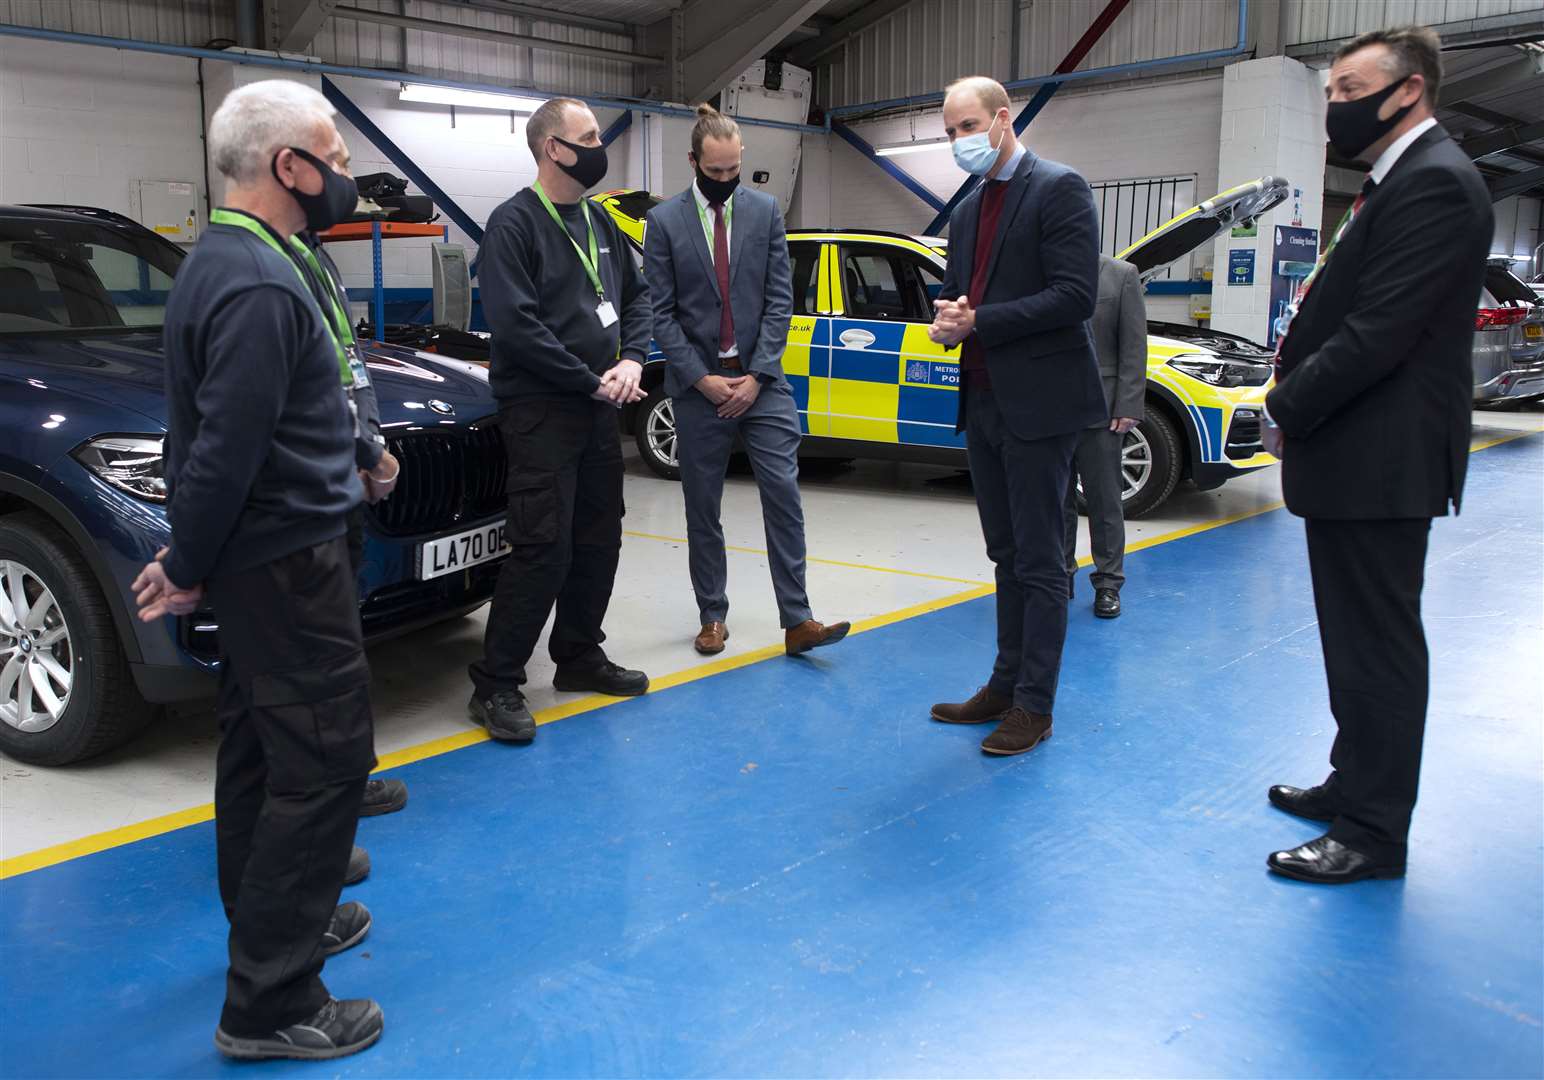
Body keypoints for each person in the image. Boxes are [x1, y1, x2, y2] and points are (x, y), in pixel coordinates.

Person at [132, 79, 383, 1060]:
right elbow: (223, 449)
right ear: (290, 166)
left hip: (267, 557)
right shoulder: (254, 281)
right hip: (284, 563)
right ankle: (272, 1002)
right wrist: (187, 560)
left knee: (257, 749)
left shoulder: (241, 260)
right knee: (320, 769)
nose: (346, 173)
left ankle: (278, 921)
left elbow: (252, 429)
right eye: (335, 153)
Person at [1260, 26, 1493, 884]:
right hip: (1357, 455)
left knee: (1377, 650)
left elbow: (1377, 335)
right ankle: (1352, 781)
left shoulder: (1434, 184)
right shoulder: (1396, 182)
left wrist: (1282, 402)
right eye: (1329, 92)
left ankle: (1372, 833)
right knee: (1353, 641)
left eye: (1348, 89)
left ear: (1409, 91)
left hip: (1380, 458)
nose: (1334, 105)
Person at [927, 76, 1106, 756]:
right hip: (983, 400)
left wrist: (981, 321)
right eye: (948, 133)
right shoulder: (970, 210)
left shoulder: (1060, 189)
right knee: (1005, 553)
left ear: (1003, 119)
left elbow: (1074, 296)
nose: (957, 142)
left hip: (1042, 404)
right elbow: (954, 295)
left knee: (1040, 559)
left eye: (966, 126)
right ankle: (1003, 684)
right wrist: (946, 320)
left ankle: (1035, 704)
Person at [467, 97, 652, 743]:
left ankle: (577, 656)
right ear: (554, 148)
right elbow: (516, 328)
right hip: (542, 410)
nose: (601, 145)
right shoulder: (513, 225)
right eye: (591, 136)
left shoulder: (600, 221)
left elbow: (638, 296)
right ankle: (495, 682)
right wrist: (590, 380)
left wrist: (631, 358)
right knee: (543, 547)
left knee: (599, 538)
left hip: (601, 406)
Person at [643, 104, 850, 658]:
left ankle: (798, 619)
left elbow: (781, 299)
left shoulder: (764, 212)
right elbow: (661, 313)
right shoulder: (663, 222)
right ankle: (712, 615)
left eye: (735, 170)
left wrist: (757, 376)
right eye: (716, 172)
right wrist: (702, 379)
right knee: (701, 505)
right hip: (698, 389)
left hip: (763, 383)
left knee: (783, 493)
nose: (728, 182)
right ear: (693, 162)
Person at [293, 227, 410, 825]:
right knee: (314, 650)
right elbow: (304, 390)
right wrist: (365, 453)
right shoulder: (266, 264)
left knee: (341, 642)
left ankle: (344, 776)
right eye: (330, 158)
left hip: (342, 479)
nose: (343, 174)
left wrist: (368, 445)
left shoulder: (313, 254)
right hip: (307, 492)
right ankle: (323, 793)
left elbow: (346, 366)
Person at [1063, 254, 1146, 619]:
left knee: (1104, 501)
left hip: (1101, 410)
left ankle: (1109, 583)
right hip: (1051, 409)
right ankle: (1059, 576)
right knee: (1054, 500)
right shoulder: (1043, 273)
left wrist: (1127, 404)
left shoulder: (1121, 275)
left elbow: (1133, 346)